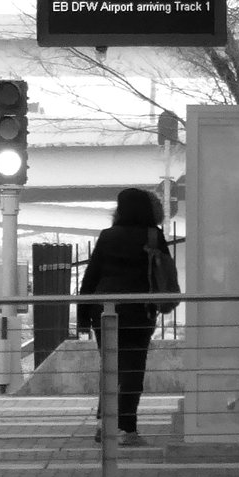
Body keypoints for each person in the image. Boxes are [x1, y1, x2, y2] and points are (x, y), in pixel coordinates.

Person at [76, 187, 172, 447]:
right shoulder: (154, 236)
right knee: (133, 369)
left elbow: (91, 276)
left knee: (109, 368)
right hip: (140, 310)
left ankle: (102, 423)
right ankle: (126, 428)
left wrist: (82, 315)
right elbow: (166, 273)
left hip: (105, 310)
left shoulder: (108, 236)